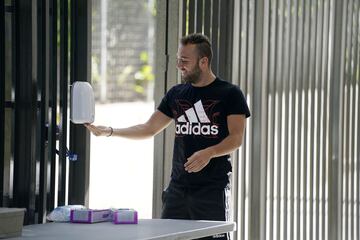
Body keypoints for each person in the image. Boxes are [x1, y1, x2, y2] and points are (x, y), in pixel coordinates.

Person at [85, 33, 250, 240]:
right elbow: (148, 128)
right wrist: (110, 131)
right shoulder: (176, 94)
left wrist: (210, 152)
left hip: (212, 191)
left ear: (204, 61)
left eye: (185, 61)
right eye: (178, 60)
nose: (179, 65)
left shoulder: (230, 94)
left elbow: (236, 138)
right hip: (177, 190)